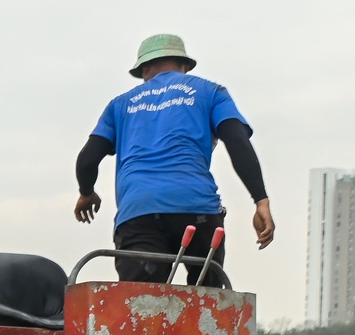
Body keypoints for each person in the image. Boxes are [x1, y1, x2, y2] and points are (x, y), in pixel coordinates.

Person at [73, 34, 273, 287]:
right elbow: (238, 142)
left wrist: (86, 192)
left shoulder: (119, 105)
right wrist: (260, 201)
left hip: (139, 212)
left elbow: (88, 159)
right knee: (205, 302)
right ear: (185, 66)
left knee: (141, 308)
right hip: (197, 210)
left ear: (144, 69)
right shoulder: (212, 93)